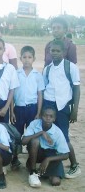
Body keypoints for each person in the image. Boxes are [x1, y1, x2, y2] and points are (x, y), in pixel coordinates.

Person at [42, 40, 81, 179]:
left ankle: (74, 165)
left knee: (63, 136)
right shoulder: (47, 68)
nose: (55, 53)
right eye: (52, 50)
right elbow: (44, 87)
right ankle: (50, 162)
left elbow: (76, 88)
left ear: (64, 52)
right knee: (48, 134)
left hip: (63, 107)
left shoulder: (70, 67)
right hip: (48, 105)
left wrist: (74, 109)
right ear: (49, 51)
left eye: (58, 51)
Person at [10, 46, 45, 168]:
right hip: (18, 109)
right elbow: (12, 93)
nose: (26, 60)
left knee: (31, 135)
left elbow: (40, 94)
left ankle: (31, 159)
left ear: (34, 59)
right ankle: (15, 159)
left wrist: (38, 112)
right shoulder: (16, 73)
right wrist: (11, 111)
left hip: (32, 109)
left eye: (29, 57)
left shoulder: (37, 75)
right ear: (20, 58)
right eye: (24, 57)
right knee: (17, 135)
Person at [22, 106, 70, 187]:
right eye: (45, 115)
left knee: (56, 182)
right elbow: (23, 141)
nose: (48, 118)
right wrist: (41, 133)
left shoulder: (57, 132)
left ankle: (43, 170)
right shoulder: (34, 123)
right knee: (35, 141)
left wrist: (48, 159)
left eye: (51, 116)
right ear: (41, 116)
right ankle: (33, 172)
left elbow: (66, 155)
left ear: (54, 119)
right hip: (38, 152)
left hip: (51, 155)